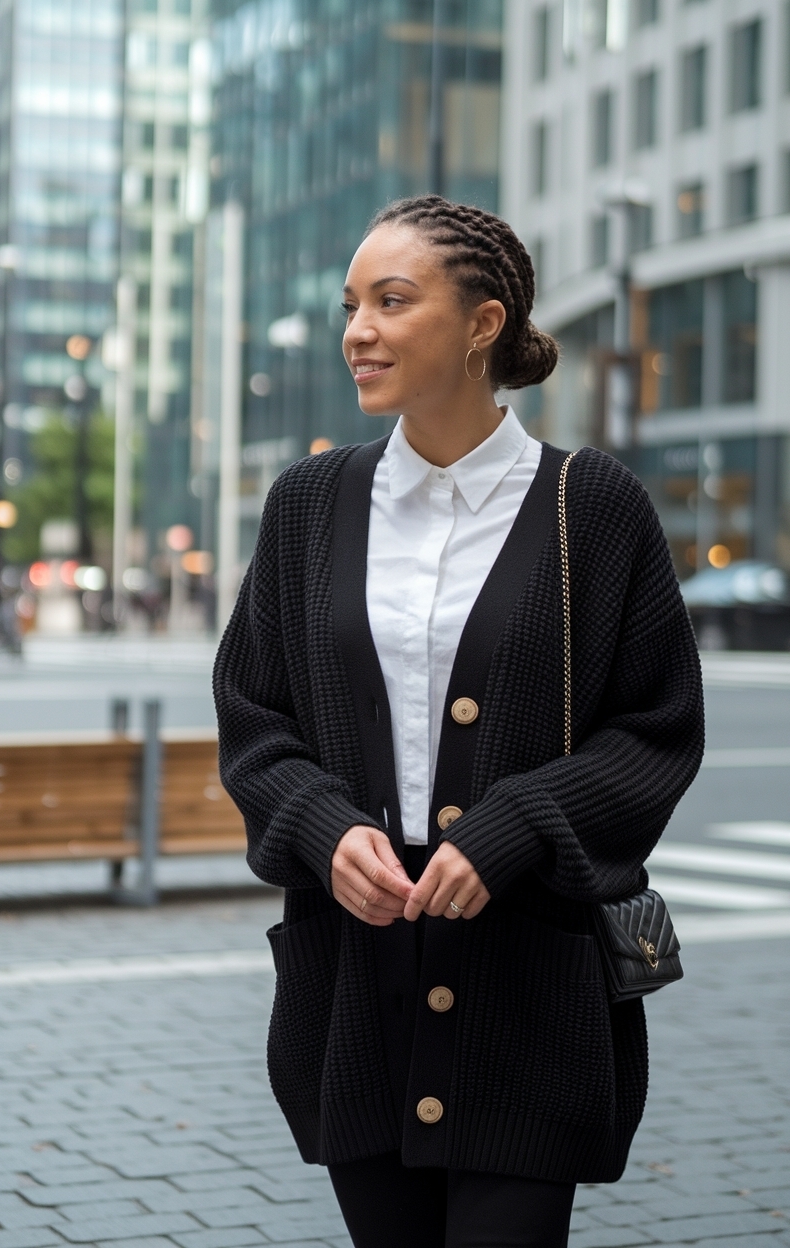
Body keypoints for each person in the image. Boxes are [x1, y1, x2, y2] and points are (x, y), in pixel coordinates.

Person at [213, 195, 704, 1248]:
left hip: (526, 987)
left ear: (482, 325)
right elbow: (254, 715)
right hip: (356, 978)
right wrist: (320, 824)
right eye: (352, 304)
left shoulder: (593, 507)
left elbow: (655, 728)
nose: (359, 330)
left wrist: (516, 825)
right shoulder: (307, 505)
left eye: (393, 301)